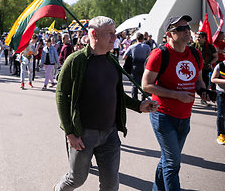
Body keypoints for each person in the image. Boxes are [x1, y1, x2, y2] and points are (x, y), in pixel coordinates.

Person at [54, 16, 157, 191]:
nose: (114, 38)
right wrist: (70, 133)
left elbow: (118, 95)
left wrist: (138, 106)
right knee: (76, 179)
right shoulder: (76, 61)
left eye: (114, 33)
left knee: (110, 185)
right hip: (83, 134)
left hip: (110, 135)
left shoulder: (113, 61)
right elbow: (61, 96)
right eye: (109, 34)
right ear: (94, 34)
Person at [142, 15, 210, 190]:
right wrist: (176, 95)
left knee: (168, 158)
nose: (187, 31)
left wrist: (203, 91)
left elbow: (199, 81)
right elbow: (146, 85)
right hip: (163, 115)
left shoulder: (195, 54)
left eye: (187, 27)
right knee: (173, 163)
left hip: (185, 116)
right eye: (180, 29)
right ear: (169, 34)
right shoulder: (159, 54)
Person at [123, 33, 151, 100]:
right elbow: (150, 57)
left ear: (136, 39)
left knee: (134, 84)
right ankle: (143, 99)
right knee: (143, 84)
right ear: (143, 38)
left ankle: (135, 99)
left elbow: (124, 57)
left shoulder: (132, 47)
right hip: (144, 67)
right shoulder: (147, 47)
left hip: (134, 67)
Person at [194, 32, 218, 105]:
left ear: (204, 38)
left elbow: (216, 57)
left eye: (200, 37)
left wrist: (210, 63)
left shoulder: (210, 47)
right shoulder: (193, 46)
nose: (197, 38)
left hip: (205, 68)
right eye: (197, 37)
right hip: (195, 69)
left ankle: (203, 98)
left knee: (204, 83)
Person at [210, 61, 225, 145]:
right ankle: (221, 135)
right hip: (221, 93)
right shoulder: (220, 66)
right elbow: (213, 79)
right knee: (221, 115)